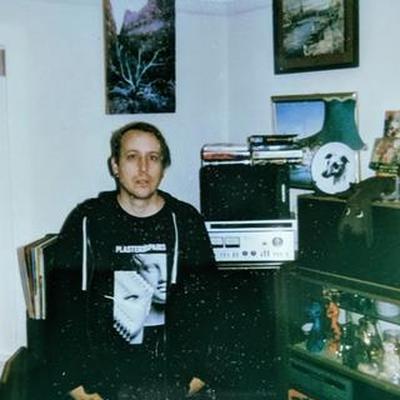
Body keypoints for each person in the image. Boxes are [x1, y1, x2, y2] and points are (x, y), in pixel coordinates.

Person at [49, 121, 218, 400]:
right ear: (115, 166)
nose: (143, 168)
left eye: (153, 158)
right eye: (132, 157)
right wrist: (78, 389)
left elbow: (211, 306)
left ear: (163, 168)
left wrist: (196, 378)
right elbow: (63, 310)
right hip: (102, 388)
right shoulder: (87, 221)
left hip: (170, 385)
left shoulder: (186, 221)